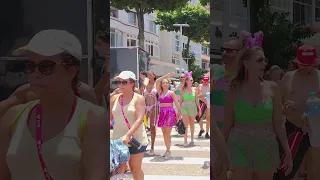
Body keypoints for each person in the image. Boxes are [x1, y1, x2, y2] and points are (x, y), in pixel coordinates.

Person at [0, 29, 107, 179]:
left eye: (46, 66)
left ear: (72, 69)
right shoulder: (13, 116)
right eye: (30, 66)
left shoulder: (93, 117)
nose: (35, 74)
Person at [223, 31, 292, 180]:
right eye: (259, 60)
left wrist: (288, 152)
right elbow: (227, 125)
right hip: (238, 145)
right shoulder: (233, 88)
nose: (264, 64)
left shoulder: (273, 88)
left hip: (266, 146)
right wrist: (220, 156)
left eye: (265, 60)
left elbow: (279, 125)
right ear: (246, 63)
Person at [280, 45, 320, 180]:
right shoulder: (288, 77)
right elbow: (276, 106)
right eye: (303, 65)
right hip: (292, 130)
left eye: (310, 65)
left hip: (316, 131)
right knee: (288, 174)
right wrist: (283, 109)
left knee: (314, 173)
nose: (307, 68)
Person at [110, 71, 147, 180]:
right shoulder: (114, 98)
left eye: (124, 82)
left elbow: (140, 119)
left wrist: (128, 135)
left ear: (132, 83)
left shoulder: (138, 98)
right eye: (119, 82)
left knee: (134, 169)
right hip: (118, 141)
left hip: (135, 139)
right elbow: (109, 118)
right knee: (118, 171)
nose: (120, 85)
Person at [155, 72, 181, 159]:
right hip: (162, 113)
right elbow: (157, 81)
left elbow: (177, 103)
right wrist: (166, 76)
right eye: (163, 83)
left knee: (167, 133)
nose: (165, 84)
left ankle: (168, 151)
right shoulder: (160, 92)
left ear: (169, 84)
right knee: (164, 133)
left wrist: (179, 113)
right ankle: (167, 150)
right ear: (161, 84)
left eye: (166, 82)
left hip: (170, 112)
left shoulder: (171, 93)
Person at [140, 71, 158, 155]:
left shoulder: (157, 84)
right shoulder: (145, 84)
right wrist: (143, 85)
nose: (149, 76)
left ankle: (152, 147)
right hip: (145, 108)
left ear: (154, 76)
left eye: (151, 75)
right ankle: (146, 142)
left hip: (154, 107)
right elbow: (140, 93)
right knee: (142, 126)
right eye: (148, 75)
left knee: (152, 127)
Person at [180, 71, 201, 147]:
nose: (192, 81)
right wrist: (179, 110)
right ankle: (185, 140)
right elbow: (181, 100)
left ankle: (192, 137)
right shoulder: (183, 89)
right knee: (186, 124)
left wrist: (199, 109)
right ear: (187, 81)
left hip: (192, 107)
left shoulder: (194, 89)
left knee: (192, 122)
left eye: (192, 80)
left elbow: (197, 100)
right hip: (184, 106)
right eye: (191, 80)